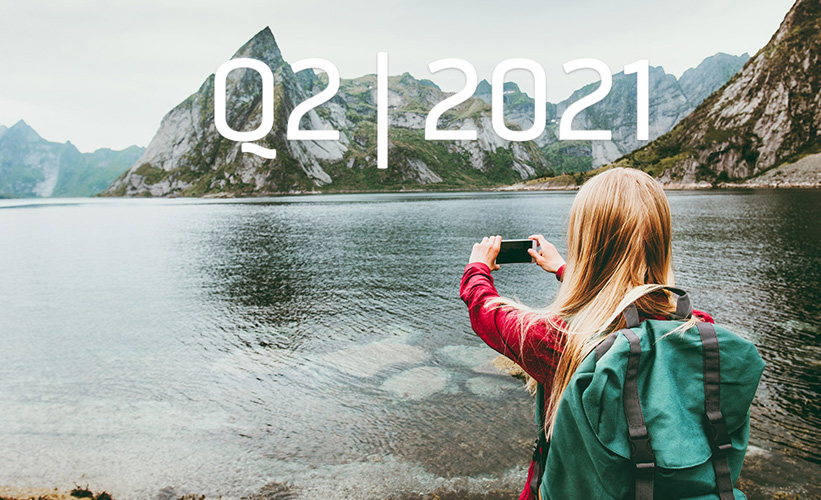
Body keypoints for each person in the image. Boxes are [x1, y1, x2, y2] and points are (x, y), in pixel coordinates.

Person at [459, 167, 715, 499]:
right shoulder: (697, 326)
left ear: (586, 243)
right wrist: (563, 269)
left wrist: (477, 267)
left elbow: (485, 310)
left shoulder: (560, 341)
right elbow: (624, 305)